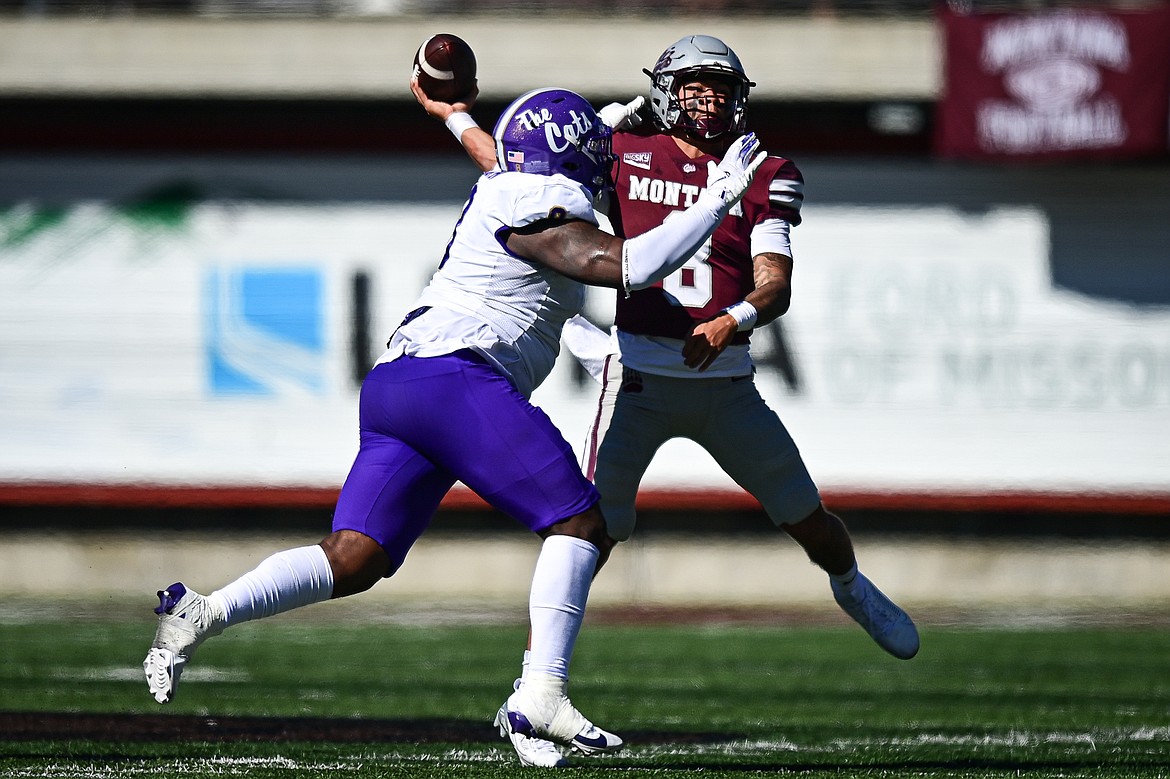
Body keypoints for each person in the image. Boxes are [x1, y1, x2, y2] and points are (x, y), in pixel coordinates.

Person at [143, 86, 765, 762]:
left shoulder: (509, 180)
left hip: (397, 386)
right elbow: (631, 264)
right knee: (579, 520)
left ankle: (205, 611)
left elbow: (507, 151)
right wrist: (719, 195)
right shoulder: (540, 201)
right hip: (455, 377)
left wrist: (460, 115)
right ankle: (539, 696)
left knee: (355, 556)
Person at [415, 35, 921, 767]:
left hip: (726, 385)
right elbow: (517, 173)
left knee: (808, 517)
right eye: (694, 84)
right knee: (585, 532)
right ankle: (536, 688)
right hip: (639, 380)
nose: (707, 98)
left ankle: (850, 584)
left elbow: (774, 282)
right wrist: (454, 116)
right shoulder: (623, 149)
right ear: (664, 89)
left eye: (720, 86)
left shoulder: (762, 169)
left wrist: (732, 319)